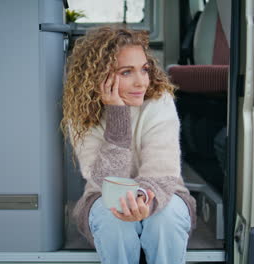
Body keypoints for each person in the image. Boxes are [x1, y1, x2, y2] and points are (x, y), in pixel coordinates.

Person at [61, 25, 196, 264]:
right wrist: (117, 117)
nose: (141, 82)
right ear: (99, 76)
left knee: (165, 219)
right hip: (102, 197)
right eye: (126, 72)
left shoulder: (159, 101)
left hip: (163, 192)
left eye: (144, 70)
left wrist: (143, 198)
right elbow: (106, 182)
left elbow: (163, 172)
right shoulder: (81, 114)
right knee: (113, 220)